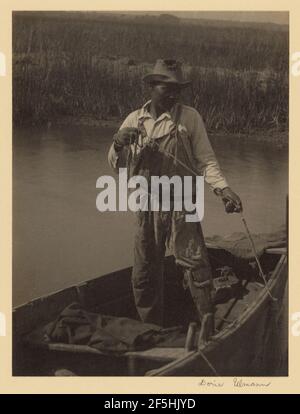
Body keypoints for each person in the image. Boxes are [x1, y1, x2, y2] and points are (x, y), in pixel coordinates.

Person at [108, 59, 242, 327]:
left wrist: (223, 189)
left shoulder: (189, 118)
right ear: (151, 87)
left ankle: (206, 325)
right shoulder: (134, 120)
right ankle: (151, 327)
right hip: (147, 205)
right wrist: (117, 143)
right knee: (145, 269)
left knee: (196, 267)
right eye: (166, 88)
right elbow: (117, 165)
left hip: (183, 204)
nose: (173, 94)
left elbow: (206, 161)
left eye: (177, 88)